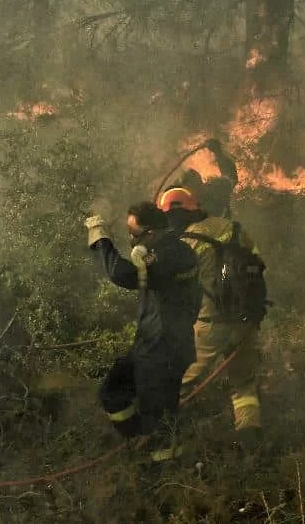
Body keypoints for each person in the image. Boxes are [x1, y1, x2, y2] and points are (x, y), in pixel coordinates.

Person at [85, 202, 200, 463]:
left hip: (162, 348)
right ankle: (139, 437)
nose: (132, 240)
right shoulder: (175, 250)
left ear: (151, 231)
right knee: (112, 391)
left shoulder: (169, 255)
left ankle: (168, 476)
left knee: (159, 422)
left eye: (134, 234)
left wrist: (101, 241)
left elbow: (121, 273)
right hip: (154, 344)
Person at [157, 185, 267, 447]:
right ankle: (250, 440)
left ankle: (159, 440)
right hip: (244, 321)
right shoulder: (233, 228)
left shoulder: (184, 244)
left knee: (177, 383)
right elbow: (258, 264)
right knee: (243, 385)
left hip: (208, 327)